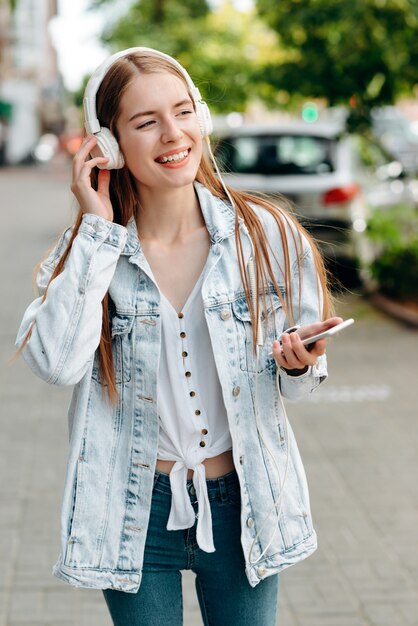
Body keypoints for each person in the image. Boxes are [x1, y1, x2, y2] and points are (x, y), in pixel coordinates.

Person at [15, 47, 341, 626]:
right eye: (146, 122)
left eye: (183, 111)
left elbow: (302, 385)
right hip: (135, 508)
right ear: (108, 145)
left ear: (202, 117)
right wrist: (95, 227)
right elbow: (58, 365)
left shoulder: (263, 235)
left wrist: (298, 365)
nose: (173, 134)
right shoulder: (89, 256)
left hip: (245, 502)